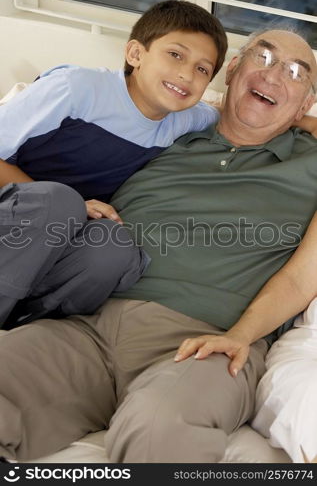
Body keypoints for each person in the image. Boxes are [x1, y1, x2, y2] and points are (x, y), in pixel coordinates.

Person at [0, 27, 316, 463]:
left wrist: (240, 337)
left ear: (305, 104)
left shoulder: (312, 165)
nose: (274, 74)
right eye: (262, 58)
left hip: (207, 344)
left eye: (296, 72)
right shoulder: (167, 130)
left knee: (157, 428)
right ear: (232, 71)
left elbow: (303, 276)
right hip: (89, 327)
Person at [0, 0, 228, 328]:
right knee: (59, 202)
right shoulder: (76, 87)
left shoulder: (185, 119)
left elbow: (232, 115)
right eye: (175, 55)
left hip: (60, 238)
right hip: (18, 215)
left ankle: (24, 331)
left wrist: (306, 122)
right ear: (135, 54)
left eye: (202, 69)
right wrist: (76, 205)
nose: (186, 74)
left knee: (114, 248)